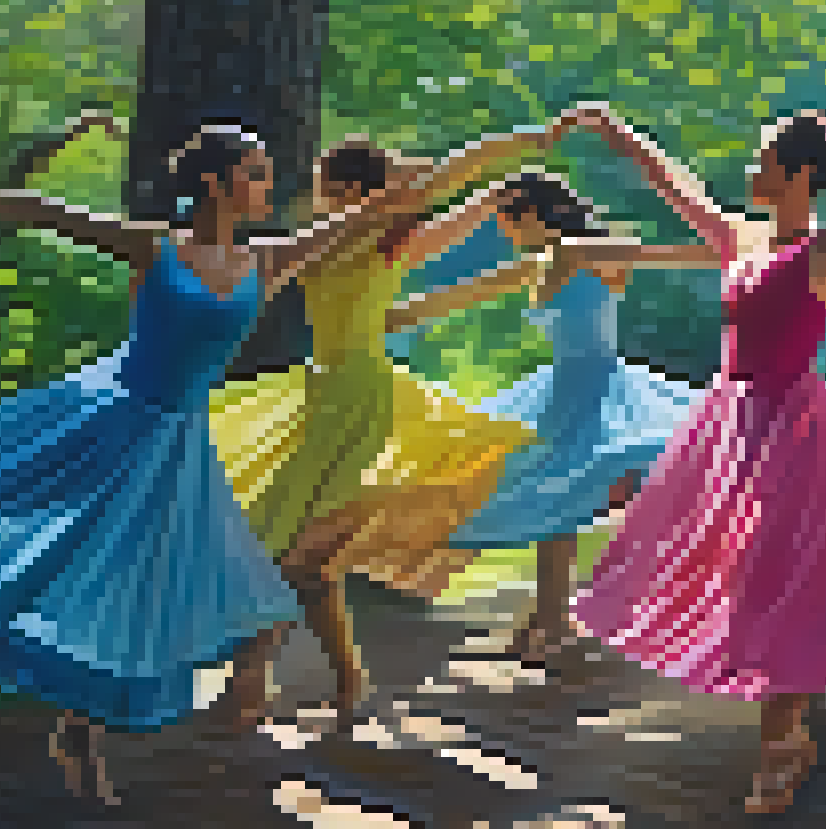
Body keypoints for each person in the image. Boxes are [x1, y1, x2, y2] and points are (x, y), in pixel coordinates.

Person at [0, 124, 373, 802]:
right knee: (73, 566)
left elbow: (374, 216)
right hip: (114, 422)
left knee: (200, 600)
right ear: (215, 183)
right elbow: (45, 211)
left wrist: (475, 171)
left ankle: (100, 725)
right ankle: (82, 735)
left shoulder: (269, 260)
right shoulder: (155, 247)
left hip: (180, 449)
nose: (267, 187)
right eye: (255, 172)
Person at [569, 109, 826, 814]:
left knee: (778, 570)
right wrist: (622, 138)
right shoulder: (741, 239)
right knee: (737, 570)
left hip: (796, 431)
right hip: (732, 422)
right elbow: (678, 188)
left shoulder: (825, 250)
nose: (751, 171)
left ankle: (779, 741)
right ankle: (788, 716)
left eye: (763, 161)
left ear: (795, 174)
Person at [209, 112, 602, 727]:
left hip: (363, 401)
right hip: (318, 392)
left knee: (296, 549)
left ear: (351, 190)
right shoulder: (314, 242)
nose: (316, 194)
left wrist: (532, 144)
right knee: (301, 555)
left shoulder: (392, 240)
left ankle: (250, 678)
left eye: (326, 184)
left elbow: (464, 169)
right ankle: (346, 680)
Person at [398, 163, 729, 661]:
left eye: (504, 221)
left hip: (596, 386)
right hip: (560, 386)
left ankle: (586, 615)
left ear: (528, 214)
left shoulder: (583, 251)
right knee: (558, 499)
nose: (502, 233)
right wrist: (371, 313)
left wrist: (751, 250)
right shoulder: (541, 260)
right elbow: (459, 296)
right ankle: (550, 617)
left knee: (571, 494)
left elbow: (690, 256)